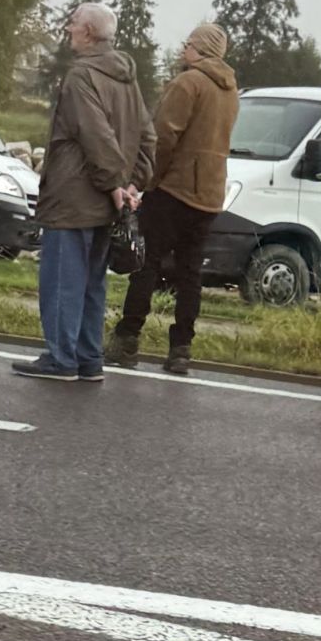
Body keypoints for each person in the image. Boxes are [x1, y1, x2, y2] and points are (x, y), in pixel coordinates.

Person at [14, 2, 153, 381]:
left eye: (73, 23)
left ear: (88, 32)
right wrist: (132, 185)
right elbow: (146, 136)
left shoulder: (80, 77)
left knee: (63, 282)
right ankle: (89, 358)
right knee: (93, 284)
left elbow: (95, 136)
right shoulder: (127, 79)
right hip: (108, 203)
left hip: (75, 196)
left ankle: (61, 359)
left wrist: (114, 188)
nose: (68, 28)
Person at [106, 23, 240, 376]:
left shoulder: (188, 83)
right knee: (190, 272)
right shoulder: (230, 89)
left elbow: (163, 137)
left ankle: (127, 338)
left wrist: (147, 179)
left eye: (188, 44)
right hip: (210, 193)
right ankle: (181, 348)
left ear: (201, 50)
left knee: (147, 263)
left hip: (174, 189)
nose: (184, 50)